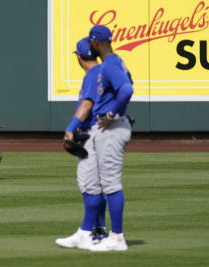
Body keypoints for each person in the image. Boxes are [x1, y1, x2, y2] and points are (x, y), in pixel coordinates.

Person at [55, 37, 107, 250]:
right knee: (99, 185)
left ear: (79, 57)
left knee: (89, 185)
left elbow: (87, 104)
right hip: (103, 134)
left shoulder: (93, 75)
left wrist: (70, 127)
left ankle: (87, 232)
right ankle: (98, 230)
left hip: (91, 134)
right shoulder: (103, 72)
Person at [87, 25, 134, 252]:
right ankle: (106, 234)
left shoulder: (111, 64)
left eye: (92, 42)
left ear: (98, 43)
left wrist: (111, 113)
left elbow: (126, 89)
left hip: (112, 127)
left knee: (111, 183)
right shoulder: (113, 63)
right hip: (111, 126)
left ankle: (117, 237)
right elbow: (128, 85)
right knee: (103, 182)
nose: (91, 46)